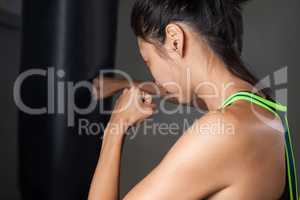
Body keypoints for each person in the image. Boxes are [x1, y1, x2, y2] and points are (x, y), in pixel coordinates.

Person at [88, 0, 298, 199]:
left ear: (175, 40)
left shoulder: (223, 131)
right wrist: (125, 85)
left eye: (148, 61)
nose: (153, 75)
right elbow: (193, 97)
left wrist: (116, 126)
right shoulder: (257, 106)